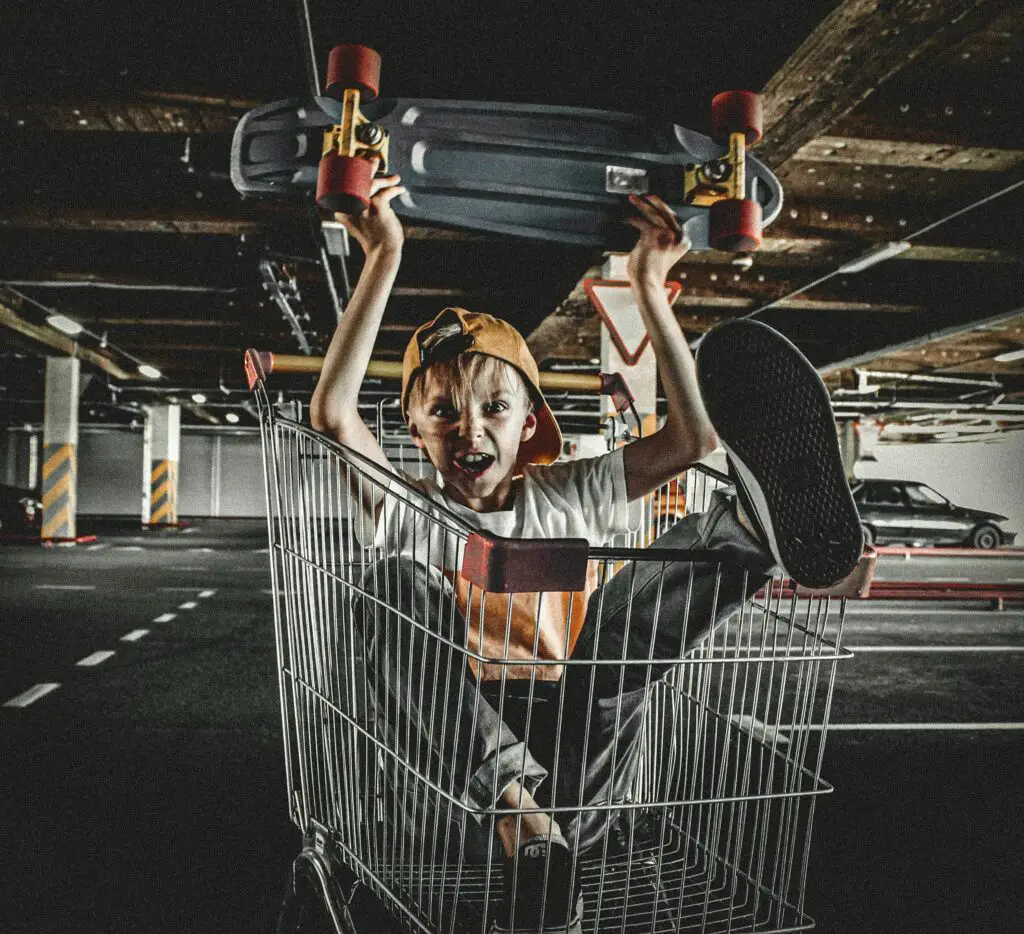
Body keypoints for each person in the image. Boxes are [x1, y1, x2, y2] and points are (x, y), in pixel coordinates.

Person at [309, 160, 863, 934]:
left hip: (577, 750)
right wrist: (383, 256)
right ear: (415, 430)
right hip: (453, 772)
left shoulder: (565, 493)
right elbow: (334, 414)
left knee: (611, 640)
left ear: (528, 420)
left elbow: (691, 438)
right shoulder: (407, 508)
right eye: (444, 412)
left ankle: (752, 535)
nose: (471, 430)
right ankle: (519, 818)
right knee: (394, 584)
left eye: (495, 408)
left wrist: (647, 285)